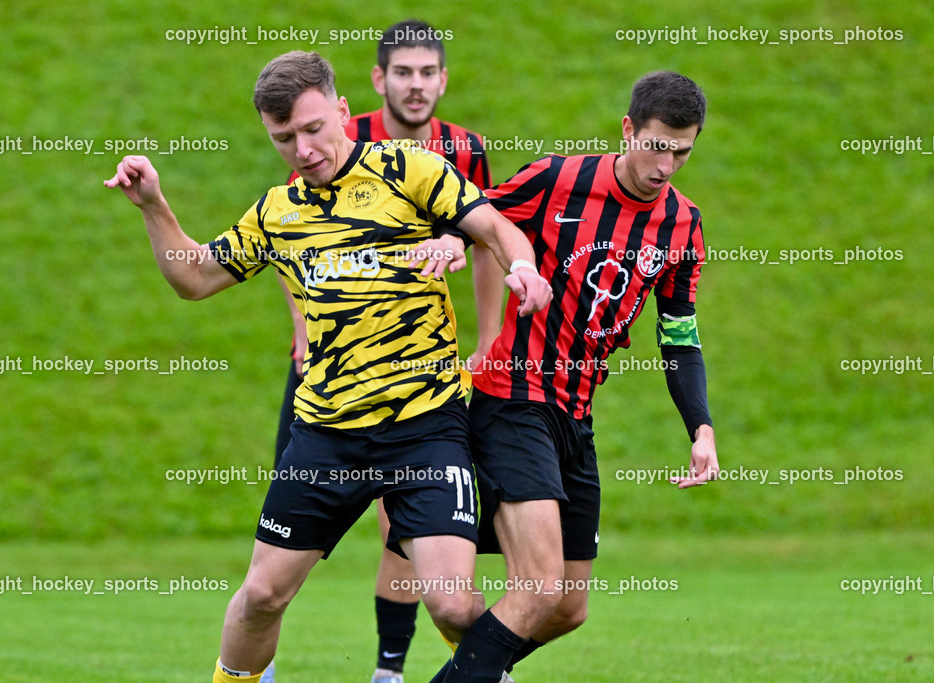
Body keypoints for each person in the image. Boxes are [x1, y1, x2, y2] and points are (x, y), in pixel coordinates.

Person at [103, 50, 552, 683]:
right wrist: (154, 205)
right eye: (283, 138)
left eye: (313, 129)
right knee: (261, 597)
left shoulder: (410, 170)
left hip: (425, 425)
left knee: (452, 603)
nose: (303, 148)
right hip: (327, 435)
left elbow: (496, 229)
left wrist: (524, 269)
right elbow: (195, 277)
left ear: (342, 111)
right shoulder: (277, 212)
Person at [431, 71, 721, 682]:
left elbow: (679, 335)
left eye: (683, 150)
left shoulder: (683, 225)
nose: (667, 165)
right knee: (536, 586)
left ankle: (483, 673)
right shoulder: (559, 178)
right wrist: (454, 243)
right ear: (628, 130)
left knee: (565, 607)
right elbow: (478, 216)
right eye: (657, 145)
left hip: (575, 415)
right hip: (512, 397)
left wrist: (701, 427)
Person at [270, 20, 502, 683]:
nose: (416, 84)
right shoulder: (334, 138)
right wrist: (304, 330)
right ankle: (276, 656)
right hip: (336, 365)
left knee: (412, 525)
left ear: (443, 79)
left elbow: (485, 240)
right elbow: (294, 239)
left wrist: (487, 342)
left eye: (428, 72)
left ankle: (391, 669)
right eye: (403, 72)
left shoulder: (465, 151)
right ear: (377, 81)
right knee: (297, 551)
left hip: (421, 365)